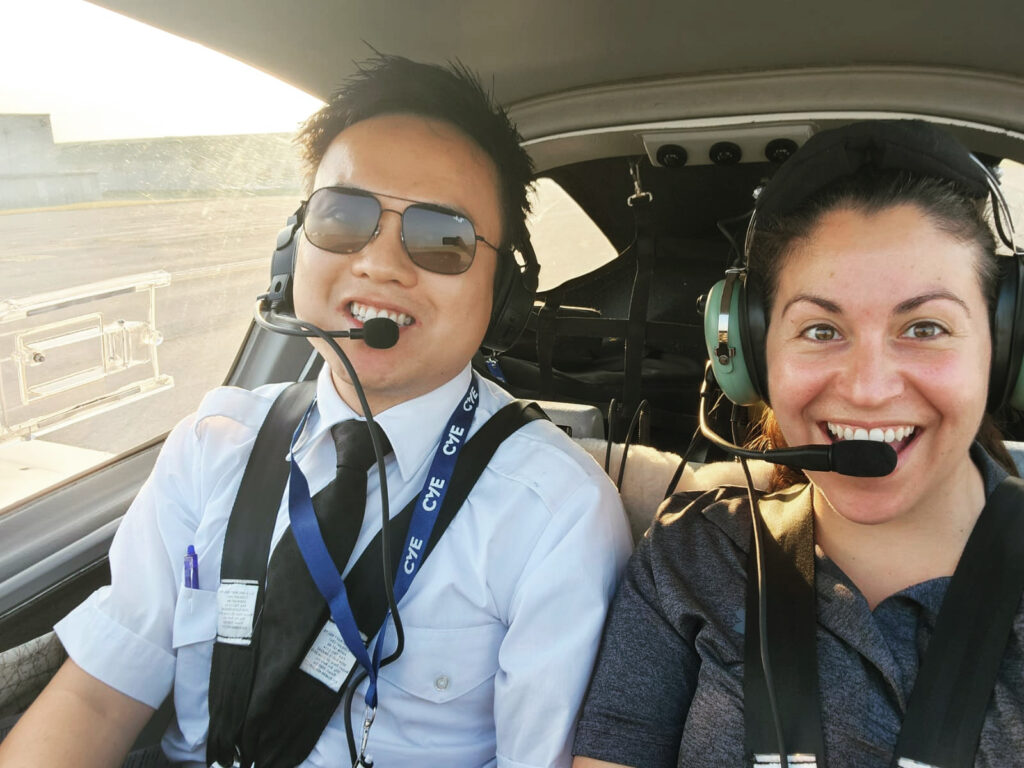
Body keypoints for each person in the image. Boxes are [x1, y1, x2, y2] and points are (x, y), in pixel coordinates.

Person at [0, 55, 631, 768]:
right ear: (292, 246)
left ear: (504, 293)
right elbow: (97, 698)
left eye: (442, 238)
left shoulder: (556, 513)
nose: (381, 265)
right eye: (344, 216)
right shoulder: (214, 445)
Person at [571, 120, 1024, 767]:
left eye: (925, 327)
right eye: (819, 329)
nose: (868, 388)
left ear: (1001, 352)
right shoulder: (694, 557)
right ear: (753, 357)